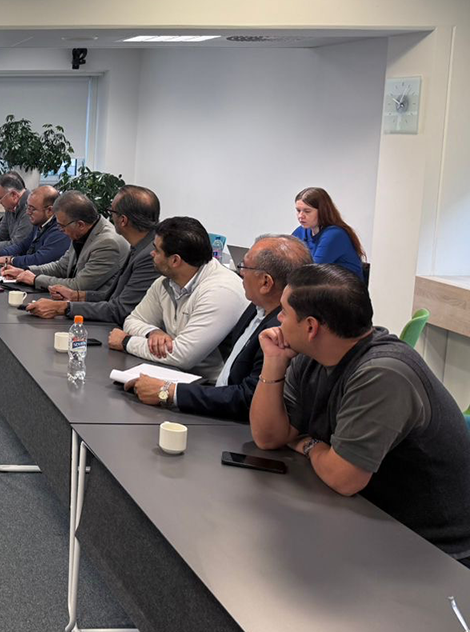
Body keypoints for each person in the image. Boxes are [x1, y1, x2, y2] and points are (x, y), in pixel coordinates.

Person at [251, 264, 470, 564]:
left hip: (432, 550)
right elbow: (269, 437)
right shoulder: (312, 356)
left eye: (285, 312)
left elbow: (344, 478)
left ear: (311, 327)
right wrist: (274, 362)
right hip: (367, 517)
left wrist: (309, 444)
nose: (278, 319)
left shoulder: (383, 374)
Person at [126, 234, 312, 420]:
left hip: (234, 423)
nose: (240, 273)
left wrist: (168, 392)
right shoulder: (256, 307)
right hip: (217, 400)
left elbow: (248, 398)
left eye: (244, 266)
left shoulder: (280, 331)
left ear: (265, 282)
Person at [109, 217, 248, 381]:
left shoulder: (221, 291)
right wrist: (152, 332)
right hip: (173, 375)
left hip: (209, 387)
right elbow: (133, 319)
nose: (152, 254)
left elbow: (182, 356)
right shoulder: (166, 281)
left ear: (175, 260)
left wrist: (126, 342)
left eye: (157, 250)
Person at [24, 185, 161, 322]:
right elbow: (112, 295)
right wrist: (76, 296)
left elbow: (120, 309)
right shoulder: (139, 246)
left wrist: (63, 307)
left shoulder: (148, 255)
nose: (110, 217)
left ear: (123, 220)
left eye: (112, 211)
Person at [3, 190, 128, 295]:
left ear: (80, 225)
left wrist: (35, 279)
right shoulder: (82, 231)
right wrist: (26, 271)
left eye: (62, 226)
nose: (60, 231)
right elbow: (61, 266)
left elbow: (79, 286)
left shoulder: (108, 243)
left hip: (96, 309)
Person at [0, 184, 69, 269]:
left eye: (32, 209)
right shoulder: (39, 222)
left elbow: (39, 259)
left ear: (50, 210)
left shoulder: (60, 230)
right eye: (27, 207)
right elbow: (22, 246)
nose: (28, 212)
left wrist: (10, 260)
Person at [291, 186, 366, 280]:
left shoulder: (334, 234)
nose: (300, 216)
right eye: (298, 211)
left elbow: (312, 272)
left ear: (323, 211)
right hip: (321, 283)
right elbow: (286, 260)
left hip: (344, 287)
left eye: (307, 211)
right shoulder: (301, 231)